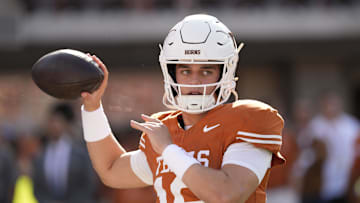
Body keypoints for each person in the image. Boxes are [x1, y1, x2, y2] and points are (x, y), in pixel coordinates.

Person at [81, 14, 285, 203]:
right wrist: (92, 107)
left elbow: (225, 194)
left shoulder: (247, 119)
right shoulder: (165, 128)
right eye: (186, 70)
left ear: (225, 73)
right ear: (171, 74)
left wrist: (169, 150)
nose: (195, 81)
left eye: (206, 71)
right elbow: (111, 168)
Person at [32, 103, 97, 203]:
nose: (54, 126)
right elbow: (37, 187)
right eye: (51, 121)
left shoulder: (80, 154)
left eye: (58, 121)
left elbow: (88, 184)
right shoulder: (40, 155)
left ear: (66, 124)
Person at [308, 91, 360, 203]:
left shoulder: (352, 124)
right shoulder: (315, 126)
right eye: (327, 104)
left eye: (333, 104)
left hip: (349, 178)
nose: (330, 108)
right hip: (324, 182)